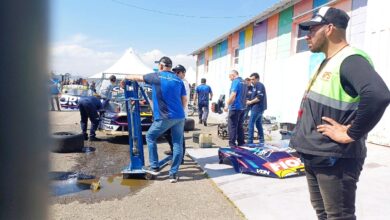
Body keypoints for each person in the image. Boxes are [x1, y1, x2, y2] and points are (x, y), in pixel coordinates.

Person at [290, 7, 390, 219]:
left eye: (312, 29)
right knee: (324, 214)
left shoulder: (350, 59)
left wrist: (351, 133)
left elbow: (378, 95)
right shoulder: (329, 61)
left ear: (329, 29)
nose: (306, 35)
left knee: (339, 217)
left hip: (336, 158)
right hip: (318, 154)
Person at [123, 56, 187, 183]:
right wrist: (178, 113)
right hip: (179, 117)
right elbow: (184, 100)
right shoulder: (179, 80)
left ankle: (154, 166)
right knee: (177, 144)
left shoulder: (156, 76)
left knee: (150, 137)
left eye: (159, 65)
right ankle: (173, 174)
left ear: (161, 66)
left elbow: (137, 77)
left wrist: (126, 77)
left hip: (165, 117)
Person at [164, 64, 188, 162]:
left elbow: (184, 100)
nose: (176, 74)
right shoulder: (176, 82)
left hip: (180, 114)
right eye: (175, 72)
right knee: (168, 133)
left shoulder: (183, 83)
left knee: (179, 137)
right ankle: (174, 151)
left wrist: (179, 111)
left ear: (183, 73)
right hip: (172, 114)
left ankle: (180, 157)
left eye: (178, 72)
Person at [224, 70, 248, 147]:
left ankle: (232, 144)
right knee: (240, 126)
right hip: (242, 108)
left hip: (235, 107)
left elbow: (233, 94)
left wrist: (227, 104)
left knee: (232, 126)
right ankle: (241, 143)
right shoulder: (244, 82)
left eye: (230, 77)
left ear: (233, 75)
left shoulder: (235, 81)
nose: (229, 79)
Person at [246, 73, 267, 144]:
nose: (251, 81)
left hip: (257, 108)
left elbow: (259, 98)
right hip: (256, 108)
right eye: (251, 79)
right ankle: (262, 141)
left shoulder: (259, 85)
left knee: (251, 123)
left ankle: (250, 142)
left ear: (257, 79)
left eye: (253, 79)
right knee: (258, 124)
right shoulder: (254, 86)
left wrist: (250, 102)